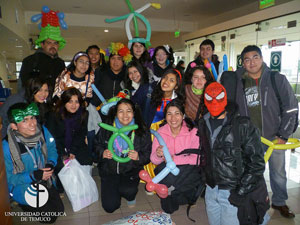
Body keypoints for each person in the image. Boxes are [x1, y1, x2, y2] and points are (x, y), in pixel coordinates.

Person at [235, 45, 298, 218]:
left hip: (274, 138)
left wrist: (283, 134)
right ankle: (256, 201)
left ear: (262, 58)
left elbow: (291, 109)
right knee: (253, 173)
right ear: (243, 63)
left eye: (255, 57)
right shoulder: (239, 82)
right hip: (250, 139)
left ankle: (279, 202)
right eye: (247, 59)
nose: (251, 62)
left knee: (278, 173)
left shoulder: (277, 79)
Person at [198, 82, 269, 225]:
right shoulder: (202, 123)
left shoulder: (243, 125)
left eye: (218, 97)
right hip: (211, 190)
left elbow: (257, 163)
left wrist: (241, 191)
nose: (214, 102)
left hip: (232, 190)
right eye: (210, 98)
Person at [3, 102, 64, 223]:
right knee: (49, 218)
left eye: (32, 117)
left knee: (59, 210)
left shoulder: (41, 130)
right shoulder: (6, 148)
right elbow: (8, 179)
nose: (32, 124)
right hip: (23, 185)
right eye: (25, 121)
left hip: (44, 178)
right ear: (14, 126)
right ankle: (22, 203)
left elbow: (52, 148)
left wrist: (50, 163)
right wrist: (32, 176)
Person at [94, 99, 151, 213]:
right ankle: (115, 192)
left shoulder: (141, 131)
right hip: (109, 171)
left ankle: (130, 196)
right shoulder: (106, 128)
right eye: (121, 111)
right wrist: (102, 152)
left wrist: (138, 157)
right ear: (115, 113)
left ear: (134, 113)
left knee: (128, 190)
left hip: (130, 171)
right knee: (110, 207)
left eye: (128, 111)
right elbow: (96, 145)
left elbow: (148, 155)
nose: (125, 115)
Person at [150, 99, 202, 214]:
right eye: (169, 114)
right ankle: (172, 191)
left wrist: (175, 160)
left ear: (183, 115)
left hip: (187, 170)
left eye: (177, 113)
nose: (173, 118)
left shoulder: (193, 131)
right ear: (165, 117)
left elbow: (198, 159)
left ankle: (170, 190)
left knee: (191, 172)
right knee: (169, 209)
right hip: (169, 172)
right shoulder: (161, 132)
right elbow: (153, 160)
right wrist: (158, 155)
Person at [46, 88, 92, 167]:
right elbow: (53, 137)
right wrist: (64, 154)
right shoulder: (54, 115)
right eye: (70, 101)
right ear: (64, 102)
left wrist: (72, 151)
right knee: (61, 166)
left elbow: (81, 134)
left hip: (76, 146)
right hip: (58, 147)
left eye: (76, 102)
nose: (73, 105)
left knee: (86, 161)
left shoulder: (83, 114)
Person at [91, 42, 132, 108]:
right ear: (109, 60)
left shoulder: (128, 75)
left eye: (119, 59)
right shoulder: (100, 72)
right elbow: (93, 92)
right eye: (113, 58)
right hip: (101, 110)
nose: (115, 62)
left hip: (121, 112)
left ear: (123, 61)